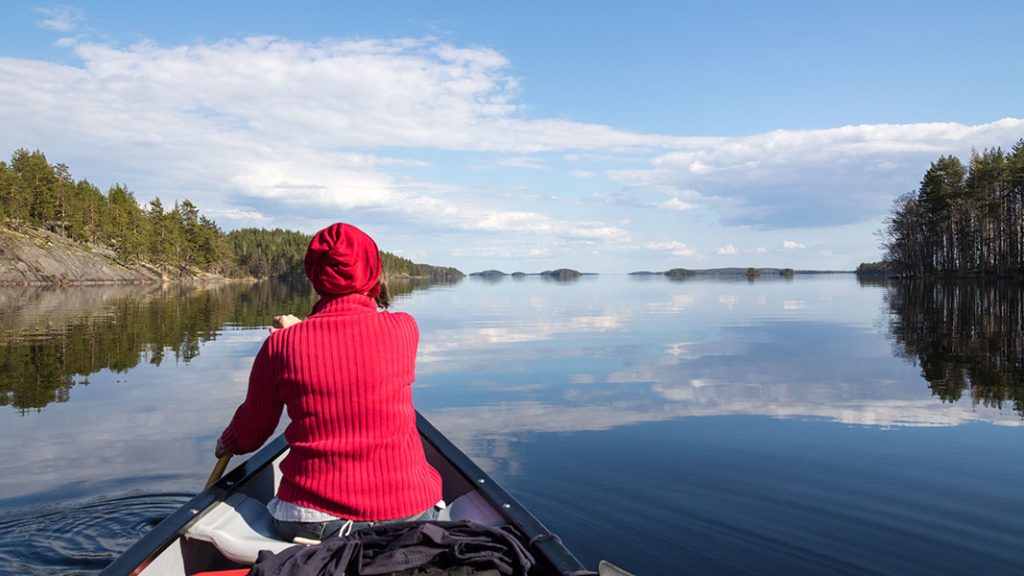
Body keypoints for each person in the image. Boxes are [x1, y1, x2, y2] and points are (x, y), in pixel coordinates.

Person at [215, 222, 443, 543]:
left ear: (313, 275)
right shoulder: (405, 328)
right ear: (373, 271)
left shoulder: (281, 345)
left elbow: (253, 433)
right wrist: (301, 331)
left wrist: (229, 441)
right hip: (408, 512)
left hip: (312, 521)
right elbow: (350, 349)